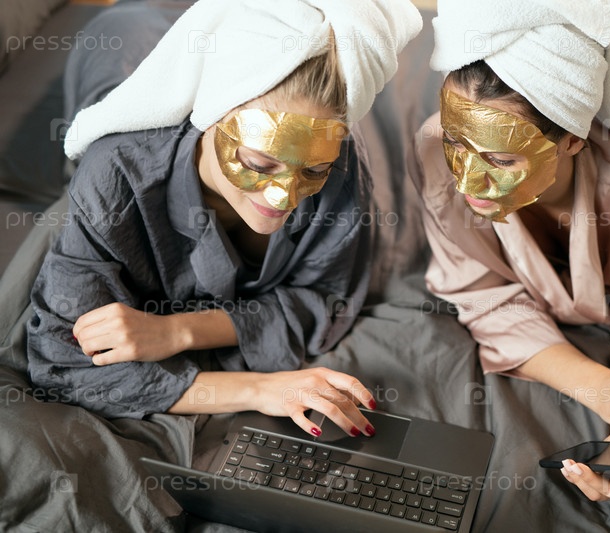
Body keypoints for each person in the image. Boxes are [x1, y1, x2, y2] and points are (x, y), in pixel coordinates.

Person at [26, 0, 422, 439]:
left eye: (312, 171)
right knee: (126, 26)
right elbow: (62, 359)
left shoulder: (341, 162)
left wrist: (177, 331)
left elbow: (326, 298)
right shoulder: (115, 173)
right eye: (259, 164)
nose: (282, 197)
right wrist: (259, 390)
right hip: (125, 35)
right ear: (210, 117)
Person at [410, 0, 610, 500]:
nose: (466, 181)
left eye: (501, 159)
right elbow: (479, 293)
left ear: (573, 141)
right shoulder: (433, 145)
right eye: (456, 142)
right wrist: (602, 389)